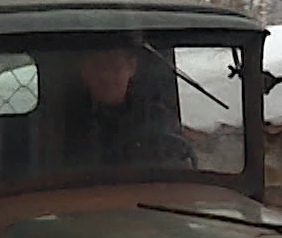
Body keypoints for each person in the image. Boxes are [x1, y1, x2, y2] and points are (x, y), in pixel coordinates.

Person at [66, 46, 194, 170]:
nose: (106, 75)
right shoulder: (61, 126)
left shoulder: (158, 119)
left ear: (132, 66)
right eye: (97, 66)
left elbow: (175, 171)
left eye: (114, 66)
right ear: (83, 70)